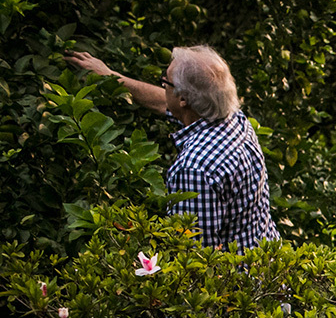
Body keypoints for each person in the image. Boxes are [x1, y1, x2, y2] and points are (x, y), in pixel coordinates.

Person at [65, 46, 280, 252]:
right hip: (266, 260)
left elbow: (196, 255)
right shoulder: (235, 119)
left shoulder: (195, 168)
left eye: (165, 81)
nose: (163, 85)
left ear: (184, 98)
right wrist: (111, 76)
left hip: (237, 275)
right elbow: (166, 102)